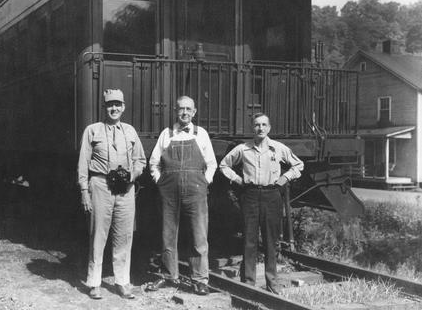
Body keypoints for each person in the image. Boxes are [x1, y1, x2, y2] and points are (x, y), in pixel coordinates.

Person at [219, 112, 303, 294]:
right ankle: (248, 284)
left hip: (272, 195)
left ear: (269, 128)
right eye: (257, 125)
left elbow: (299, 165)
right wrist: (238, 179)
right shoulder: (243, 149)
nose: (260, 128)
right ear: (253, 128)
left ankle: (272, 283)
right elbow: (224, 165)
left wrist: (285, 178)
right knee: (249, 240)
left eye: (264, 125)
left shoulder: (278, 148)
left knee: (271, 241)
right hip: (249, 195)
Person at [77, 89, 147, 300]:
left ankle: (122, 281)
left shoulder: (130, 131)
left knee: (124, 235)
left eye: (118, 104)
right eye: (110, 105)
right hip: (100, 184)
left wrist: (132, 175)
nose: (114, 108)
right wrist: (84, 191)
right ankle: (94, 282)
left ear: (124, 107)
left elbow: (140, 160)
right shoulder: (92, 130)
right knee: (98, 234)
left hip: (125, 189)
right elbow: (82, 164)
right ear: (104, 107)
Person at [146, 96, 217, 295]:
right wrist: (160, 182)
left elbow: (211, 163)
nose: (184, 112)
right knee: (168, 234)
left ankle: (200, 279)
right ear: (175, 111)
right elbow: (154, 163)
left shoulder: (201, 134)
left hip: (196, 190)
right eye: (181, 109)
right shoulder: (166, 134)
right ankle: (168, 275)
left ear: (194, 112)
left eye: (188, 109)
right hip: (169, 191)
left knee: (199, 235)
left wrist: (205, 181)